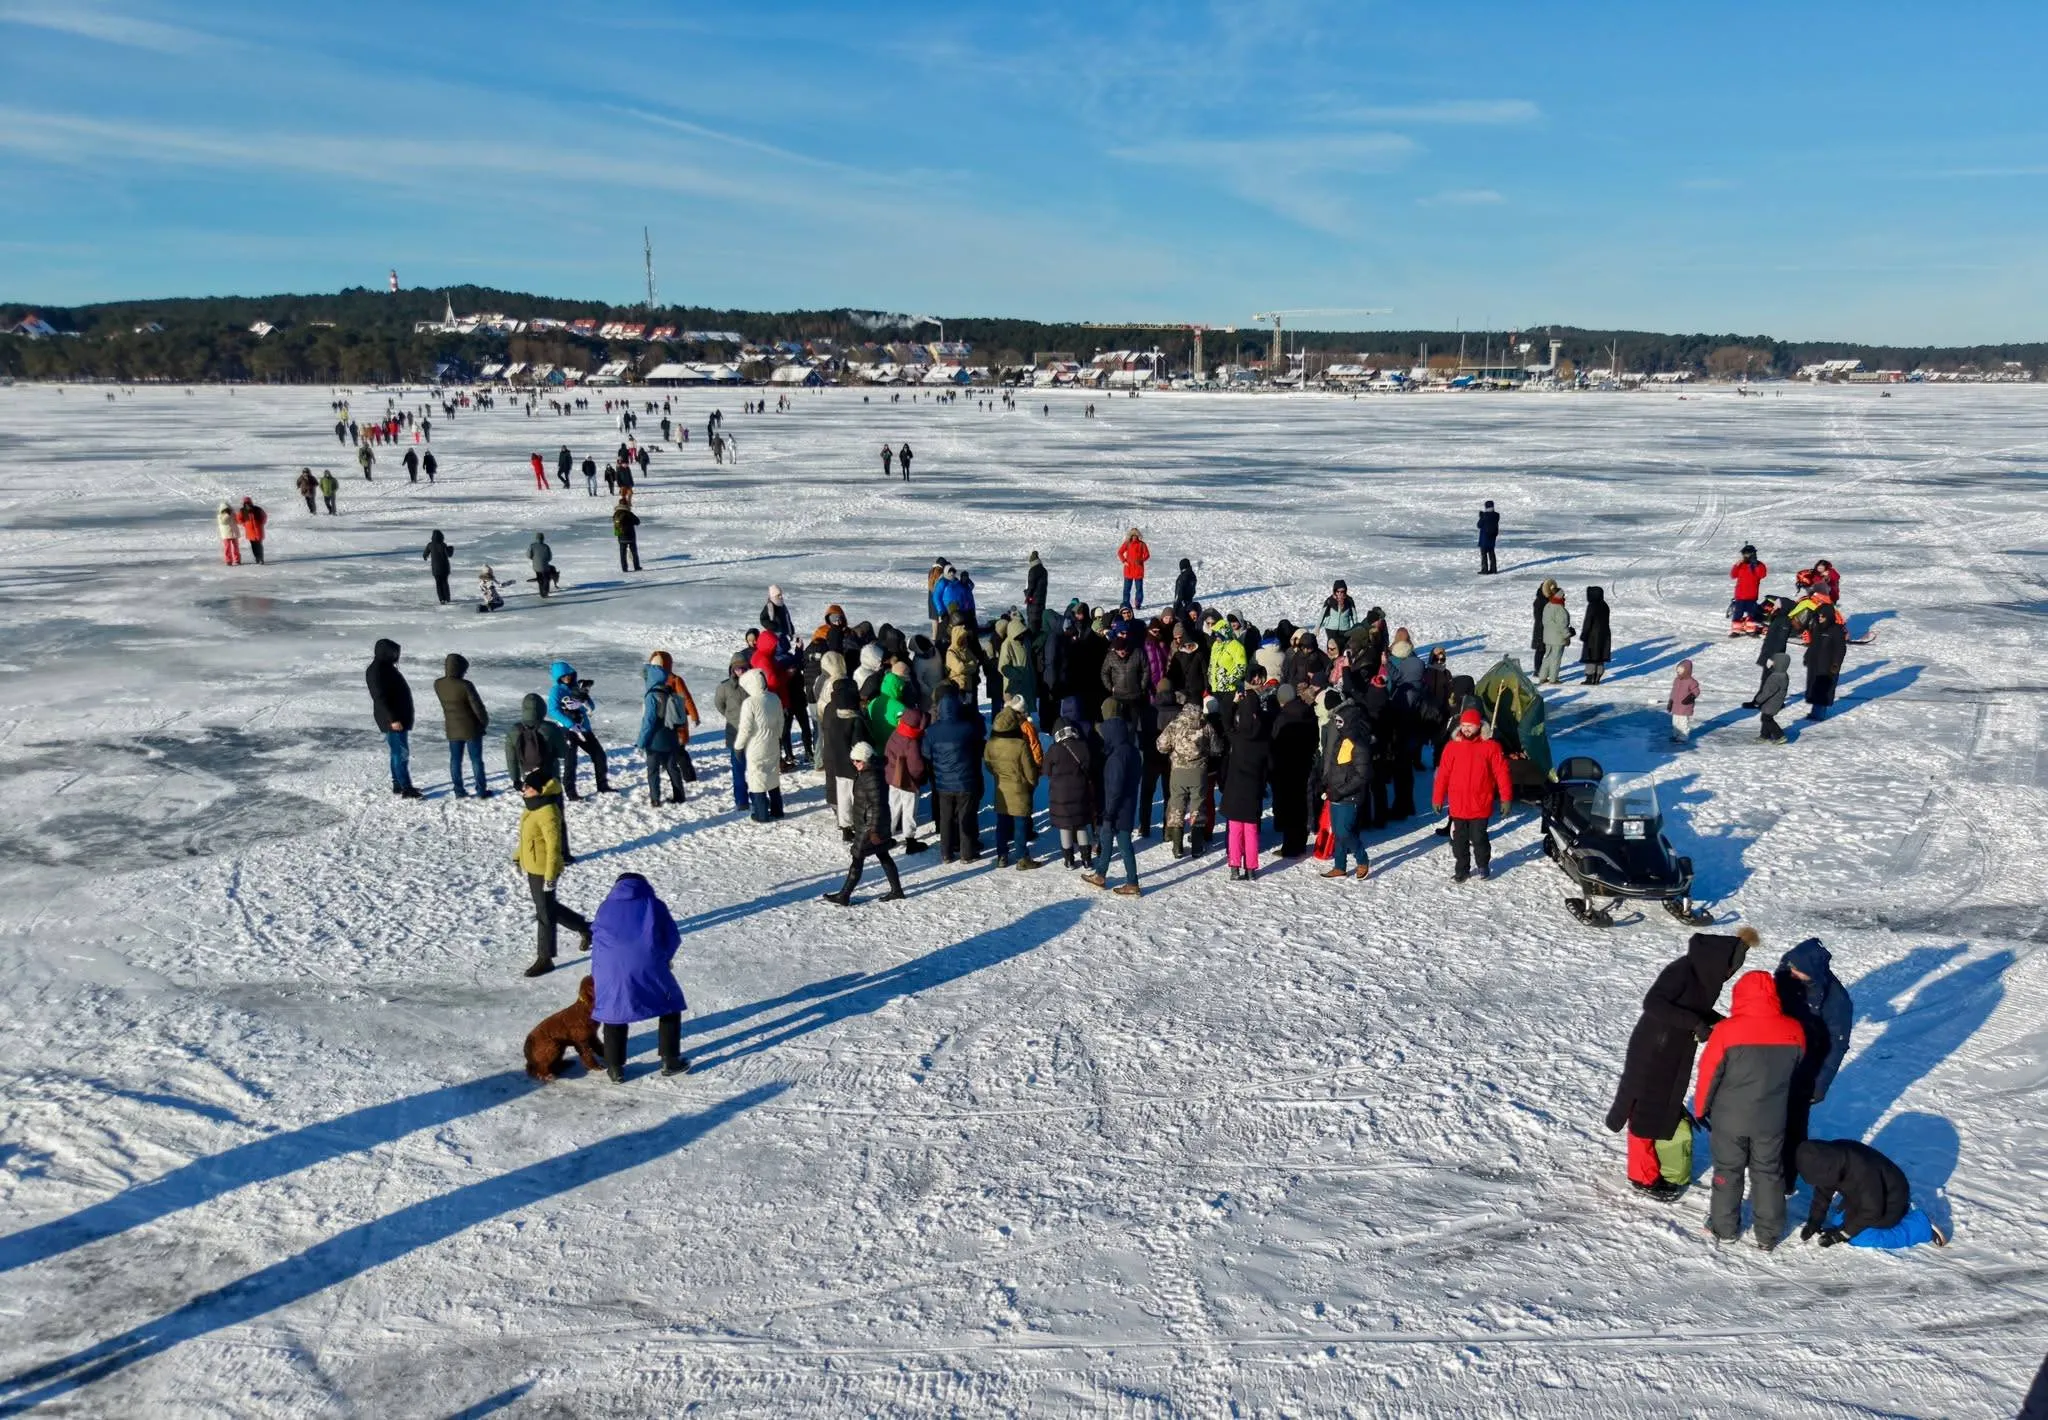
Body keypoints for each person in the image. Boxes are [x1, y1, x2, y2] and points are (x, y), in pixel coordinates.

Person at [1605, 928, 1754, 1197]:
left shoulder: (1704, 975)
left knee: (1659, 1108)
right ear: (1722, 961)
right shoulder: (1682, 970)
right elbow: (1654, 1003)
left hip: (1672, 1050)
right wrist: (1696, 1023)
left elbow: (1694, 1007)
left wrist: (1723, 1025)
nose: (1730, 975)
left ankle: (1652, 1165)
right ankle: (1643, 1177)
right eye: (1731, 969)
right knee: (1643, 1112)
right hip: (1653, 1050)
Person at [1694, 970, 1807, 1249]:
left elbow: (1709, 1074)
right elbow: (1797, 1066)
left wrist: (1701, 1108)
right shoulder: (1794, 1030)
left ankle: (1724, 1228)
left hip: (1730, 1119)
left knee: (1728, 1170)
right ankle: (1768, 1235)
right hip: (1771, 1118)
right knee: (1768, 1173)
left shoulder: (1726, 1031)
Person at [589, 873, 689, 1079]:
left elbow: (597, 937)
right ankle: (670, 1061)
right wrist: (664, 958)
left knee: (614, 1009)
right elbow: (672, 936)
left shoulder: (605, 907)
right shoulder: (653, 904)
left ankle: (615, 1069)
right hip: (647, 962)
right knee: (670, 1004)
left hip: (609, 967)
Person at [1775, 937, 1853, 1155]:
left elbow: (1837, 1045)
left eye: (1798, 971)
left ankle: (1788, 1174)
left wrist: (1820, 1084)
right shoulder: (1784, 980)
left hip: (1806, 1070)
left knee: (1793, 1124)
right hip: (1774, 1063)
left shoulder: (1837, 1001)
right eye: (1789, 967)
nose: (1792, 974)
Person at [1795, 1140, 1948, 1249]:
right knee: (1837, 1222)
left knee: (1859, 1237)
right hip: (1866, 1194)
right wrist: (1814, 1221)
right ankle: (1905, 1213)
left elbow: (1872, 1211)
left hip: (1891, 1199)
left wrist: (1842, 1235)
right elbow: (1824, 1190)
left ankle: (1919, 1225)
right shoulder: (1831, 1157)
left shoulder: (1862, 1170)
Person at [514, 769, 589, 978]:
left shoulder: (548, 811)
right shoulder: (531, 807)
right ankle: (585, 928)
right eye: (525, 786)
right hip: (532, 866)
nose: (524, 789)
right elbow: (527, 838)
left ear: (539, 790)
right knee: (548, 907)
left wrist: (550, 876)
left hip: (543, 870)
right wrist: (517, 855)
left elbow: (554, 848)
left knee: (545, 914)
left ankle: (545, 958)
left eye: (528, 787)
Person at [1431, 707, 1510, 881]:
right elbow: (1443, 774)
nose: (1467, 728)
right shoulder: (1452, 747)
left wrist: (1505, 798)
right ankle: (1462, 869)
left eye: (1471, 725)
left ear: (1479, 727)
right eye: (1464, 725)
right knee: (1459, 841)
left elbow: (1501, 773)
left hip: (1480, 803)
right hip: (1458, 804)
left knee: (1479, 838)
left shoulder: (1491, 747)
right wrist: (1437, 798)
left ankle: (1483, 865)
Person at [824, 741, 905, 904]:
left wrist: (874, 831)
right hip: (869, 824)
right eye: (853, 761)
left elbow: (878, 806)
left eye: (858, 761)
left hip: (870, 827)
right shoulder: (868, 772)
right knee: (883, 854)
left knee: (857, 857)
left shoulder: (871, 777)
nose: (855, 764)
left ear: (866, 759)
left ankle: (844, 895)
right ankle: (897, 890)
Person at [1086, 699, 1143, 895]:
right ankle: (1100, 874)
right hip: (1126, 804)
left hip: (1118, 807)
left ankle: (1132, 883)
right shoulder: (1131, 750)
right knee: (1106, 836)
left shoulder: (1117, 756)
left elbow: (1115, 788)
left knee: (1125, 844)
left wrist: (1109, 812)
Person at [925, 685, 985, 862]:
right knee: (966, 815)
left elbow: (926, 753)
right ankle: (967, 853)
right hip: (966, 781)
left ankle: (946, 852)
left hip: (943, 782)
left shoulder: (932, 731)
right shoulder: (967, 728)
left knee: (945, 818)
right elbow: (978, 745)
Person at [1319, 689, 1372, 879]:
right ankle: (1340, 866)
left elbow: (1362, 776)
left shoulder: (1360, 745)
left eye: (1340, 722)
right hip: (1335, 793)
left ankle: (1362, 859)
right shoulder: (1341, 740)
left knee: (1344, 831)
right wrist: (1326, 782)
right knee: (1338, 833)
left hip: (1349, 796)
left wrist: (1341, 791)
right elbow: (1334, 764)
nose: (1337, 725)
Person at [1221, 693, 1270, 881]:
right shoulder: (1263, 742)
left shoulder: (1237, 738)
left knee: (1235, 830)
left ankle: (1234, 866)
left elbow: (1225, 722)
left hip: (1235, 791)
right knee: (1251, 832)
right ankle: (1251, 868)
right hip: (1252, 791)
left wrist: (1233, 703)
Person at [985, 706, 1041, 868]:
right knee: (1020, 824)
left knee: (1002, 823)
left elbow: (988, 765)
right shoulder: (1020, 745)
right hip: (1019, 790)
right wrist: (1031, 783)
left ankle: (1001, 855)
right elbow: (1030, 770)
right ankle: (1022, 858)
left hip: (1001, 787)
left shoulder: (991, 743)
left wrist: (998, 775)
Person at [1156, 697, 1211, 859]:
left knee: (1177, 806)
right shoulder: (1205, 725)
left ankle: (1177, 847)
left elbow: (1161, 746)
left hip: (1178, 771)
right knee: (1198, 807)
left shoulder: (1174, 725)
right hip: (1198, 772)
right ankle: (1197, 847)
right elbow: (1216, 747)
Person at [546, 660, 610, 798]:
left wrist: (585, 701)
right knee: (571, 761)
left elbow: (591, 707)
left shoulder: (577, 687)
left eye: (569, 675)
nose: (567, 678)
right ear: (558, 678)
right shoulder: (556, 691)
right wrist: (569, 723)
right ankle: (571, 792)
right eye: (564, 676)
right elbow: (552, 710)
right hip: (567, 730)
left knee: (599, 755)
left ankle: (603, 785)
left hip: (583, 728)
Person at [366, 638, 419, 798]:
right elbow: (380, 697)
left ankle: (398, 784)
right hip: (392, 719)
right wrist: (393, 719)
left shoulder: (386, 667)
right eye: (394, 652)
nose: (397, 655)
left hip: (396, 717)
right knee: (400, 752)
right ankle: (405, 787)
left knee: (397, 751)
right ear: (386, 652)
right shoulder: (377, 670)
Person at [1269, 683, 1318, 856]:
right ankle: (1300, 843)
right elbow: (1314, 739)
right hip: (1304, 765)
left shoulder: (1283, 719)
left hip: (1286, 768)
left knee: (1289, 807)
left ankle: (1290, 847)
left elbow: (1275, 745)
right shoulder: (1309, 713)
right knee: (1301, 805)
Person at [433, 653, 490, 798]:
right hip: (471, 728)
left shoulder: (438, 684)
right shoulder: (465, 685)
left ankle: (459, 791)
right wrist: (484, 723)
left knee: (455, 760)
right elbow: (478, 708)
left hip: (452, 728)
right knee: (476, 760)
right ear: (459, 668)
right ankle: (481, 791)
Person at [733, 667, 786, 821]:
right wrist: (778, 737)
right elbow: (781, 721)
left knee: (757, 779)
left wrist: (738, 746)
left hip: (756, 746)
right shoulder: (774, 698)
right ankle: (777, 810)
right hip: (773, 743)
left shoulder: (750, 703)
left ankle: (761, 814)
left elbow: (746, 729)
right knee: (773, 776)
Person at [1046, 714, 1096, 870]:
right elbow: (1089, 768)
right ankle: (1087, 860)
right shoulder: (1082, 746)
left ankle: (1069, 861)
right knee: (1081, 825)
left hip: (1060, 796)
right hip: (1080, 793)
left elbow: (1046, 770)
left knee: (1065, 827)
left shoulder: (1054, 749)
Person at [635, 663, 688, 806]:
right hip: (671, 738)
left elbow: (649, 722)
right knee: (672, 768)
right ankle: (680, 796)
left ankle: (655, 799)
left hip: (655, 740)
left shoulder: (652, 696)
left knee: (653, 770)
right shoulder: (670, 692)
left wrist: (641, 742)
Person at [883, 706, 929, 852]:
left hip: (893, 778)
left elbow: (887, 753)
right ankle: (910, 839)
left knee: (893, 806)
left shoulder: (896, 733)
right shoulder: (912, 742)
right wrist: (919, 778)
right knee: (909, 810)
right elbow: (917, 767)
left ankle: (887, 835)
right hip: (908, 782)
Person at [713, 654, 752, 813]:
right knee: (738, 768)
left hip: (752, 733)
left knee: (755, 768)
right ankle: (741, 800)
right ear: (731, 669)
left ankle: (758, 796)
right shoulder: (724, 687)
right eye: (737, 668)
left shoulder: (753, 684)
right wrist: (731, 717)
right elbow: (719, 705)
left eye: (743, 668)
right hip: (734, 732)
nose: (740, 671)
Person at [1803, 597, 1848, 720]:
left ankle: (1819, 714)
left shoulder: (1836, 631)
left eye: (1822, 616)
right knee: (1814, 688)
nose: (1820, 618)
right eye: (1818, 616)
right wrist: (1808, 656)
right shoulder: (1817, 628)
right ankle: (1814, 711)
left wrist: (1835, 665)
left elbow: (1840, 650)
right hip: (1815, 664)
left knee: (1824, 690)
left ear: (1828, 616)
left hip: (1827, 667)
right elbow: (1814, 645)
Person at [1750, 652, 1790, 743]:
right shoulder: (1782, 674)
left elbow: (1768, 692)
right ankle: (1764, 735)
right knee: (1765, 717)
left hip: (1772, 702)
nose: (1772, 664)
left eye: (1774, 662)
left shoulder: (1776, 677)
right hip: (1774, 702)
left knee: (1766, 719)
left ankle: (1780, 736)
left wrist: (1758, 700)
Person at [1538, 586, 1572, 684]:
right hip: (1558, 638)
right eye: (1563, 596)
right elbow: (1562, 625)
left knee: (1547, 657)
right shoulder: (1559, 608)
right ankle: (1553, 679)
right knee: (1555, 659)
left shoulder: (1547, 606)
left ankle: (1542, 676)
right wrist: (1567, 636)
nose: (1564, 598)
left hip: (1548, 637)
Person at [1579, 586, 1611, 684]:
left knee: (1591, 656)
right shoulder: (1605, 605)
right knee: (1600, 656)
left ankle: (1590, 678)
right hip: (1605, 634)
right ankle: (1597, 677)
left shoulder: (1592, 605)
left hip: (1592, 635)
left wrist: (1584, 634)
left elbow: (1588, 621)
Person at [1730, 545, 1768, 628]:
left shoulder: (1759, 565)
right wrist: (1737, 565)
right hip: (1740, 595)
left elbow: (1762, 575)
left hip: (1752, 595)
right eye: (1744, 554)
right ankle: (1736, 629)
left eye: (1747, 554)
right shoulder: (1741, 565)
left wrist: (1756, 565)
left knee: (1751, 614)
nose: (1745, 556)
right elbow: (1733, 575)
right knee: (1738, 613)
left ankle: (1750, 628)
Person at [1117, 527, 1150, 609]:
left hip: (1138, 571)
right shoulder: (1127, 543)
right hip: (1128, 570)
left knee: (1139, 589)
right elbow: (1120, 552)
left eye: (1136, 535)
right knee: (1126, 590)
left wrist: (1141, 560)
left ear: (1138, 536)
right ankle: (1126, 604)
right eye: (1133, 535)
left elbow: (1147, 555)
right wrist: (1124, 561)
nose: (1134, 537)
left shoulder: (1142, 544)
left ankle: (1138, 603)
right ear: (1130, 536)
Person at [1669, 659, 1700, 742]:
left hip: (1685, 707)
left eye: (1681, 670)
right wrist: (1671, 702)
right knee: (1675, 723)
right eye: (1678, 670)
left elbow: (1696, 692)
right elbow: (1673, 691)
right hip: (1676, 706)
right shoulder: (1676, 680)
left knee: (1683, 723)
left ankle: (1683, 738)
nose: (1678, 672)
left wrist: (1690, 698)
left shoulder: (1691, 682)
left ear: (1687, 671)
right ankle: (1676, 736)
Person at [423, 530, 454, 604]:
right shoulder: (443, 545)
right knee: (445, 583)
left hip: (435, 569)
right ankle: (447, 598)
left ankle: (441, 599)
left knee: (438, 584)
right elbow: (449, 554)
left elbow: (425, 554)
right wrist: (451, 549)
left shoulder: (430, 545)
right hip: (444, 568)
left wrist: (425, 557)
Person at [612, 499, 641, 572]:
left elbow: (615, 524)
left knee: (622, 554)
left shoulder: (616, 514)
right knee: (634, 552)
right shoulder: (629, 513)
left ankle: (624, 568)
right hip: (631, 536)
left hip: (621, 536)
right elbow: (637, 522)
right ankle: (636, 567)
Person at [1025, 551, 1050, 635]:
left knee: (1033, 625)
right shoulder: (1044, 570)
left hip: (1033, 603)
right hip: (1042, 601)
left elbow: (1031, 586)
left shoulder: (1033, 570)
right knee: (1039, 624)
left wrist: (1027, 595)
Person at [528, 532, 558, 597]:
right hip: (545, 566)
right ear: (543, 538)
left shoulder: (532, 546)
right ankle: (545, 593)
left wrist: (535, 559)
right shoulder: (546, 546)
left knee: (540, 579)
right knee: (546, 579)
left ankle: (542, 593)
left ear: (536, 538)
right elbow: (549, 558)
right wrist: (544, 560)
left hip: (536, 566)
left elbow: (528, 555)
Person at [1477, 500, 1501, 575]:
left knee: (1484, 555)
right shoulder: (1496, 515)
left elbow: (1479, 525)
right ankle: (1494, 569)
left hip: (1484, 538)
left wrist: (1481, 517)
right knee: (1491, 554)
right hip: (1492, 537)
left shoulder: (1484, 515)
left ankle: (1485, 570)